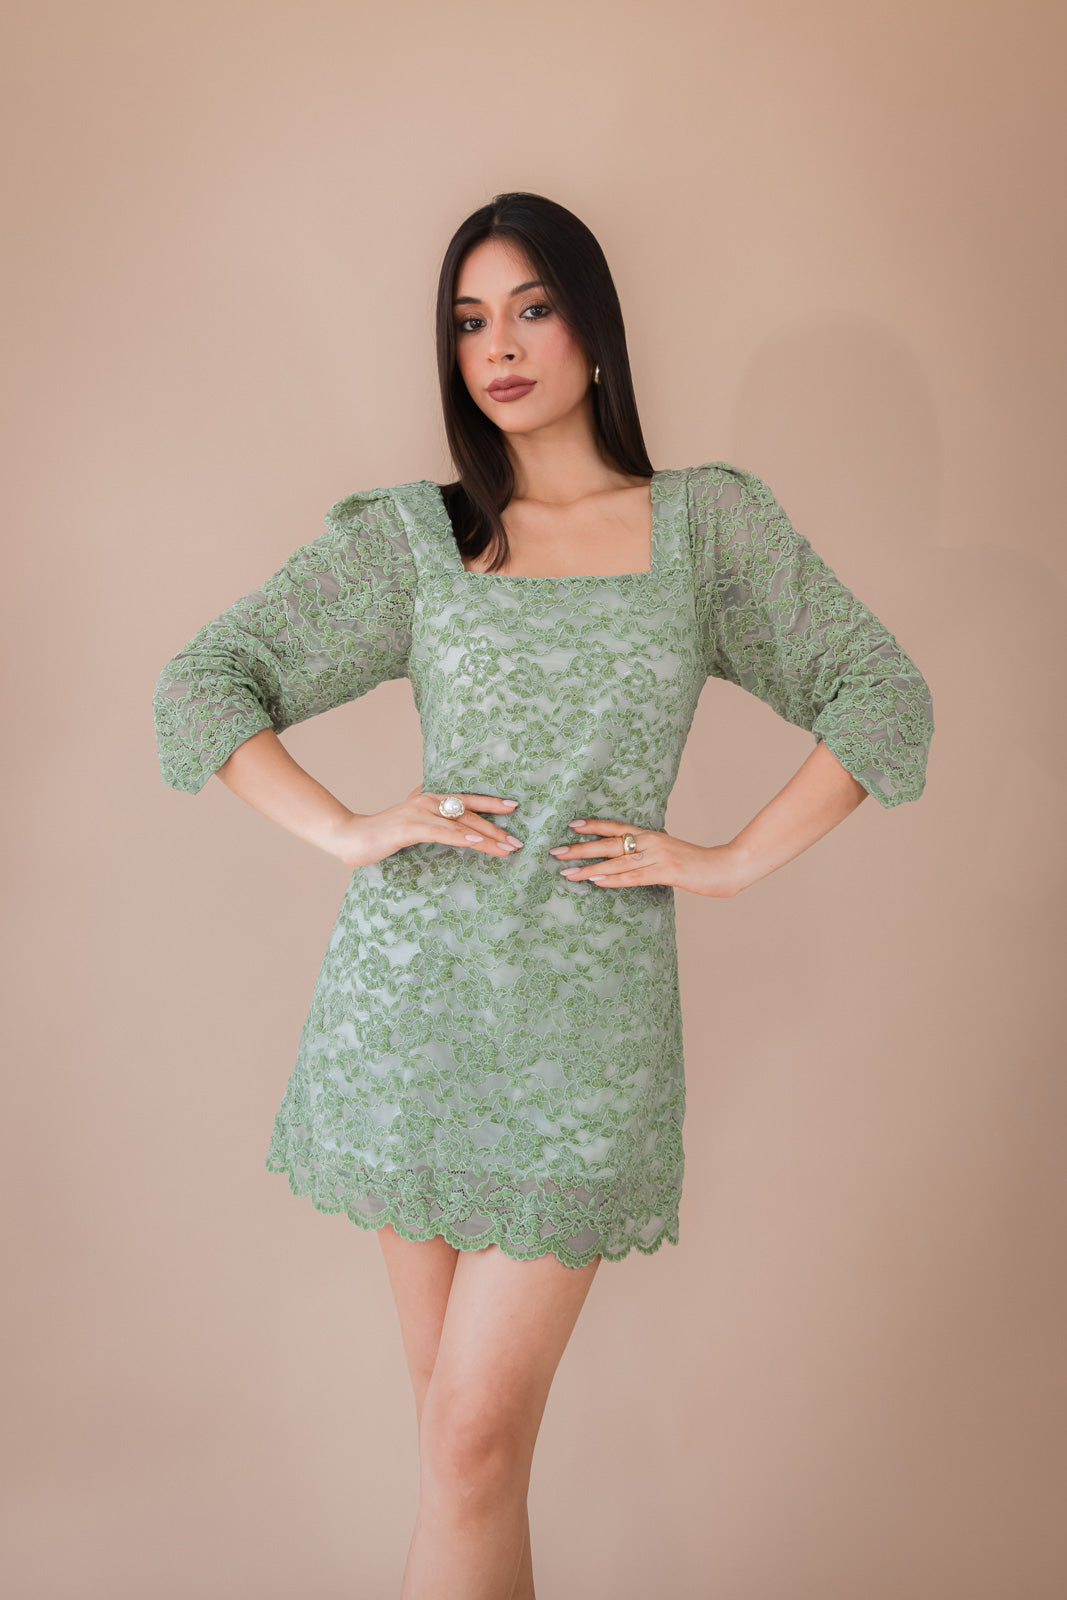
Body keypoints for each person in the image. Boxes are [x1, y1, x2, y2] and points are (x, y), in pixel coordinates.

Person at [152, 190, 934, 1600]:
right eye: (469, 321)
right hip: (410, 1016)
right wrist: (345, 830)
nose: (499, 348)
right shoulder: (421, 540)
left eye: (531, 308)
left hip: (587, 1042)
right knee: (465, 1457)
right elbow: (206, 681)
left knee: (469, 1441)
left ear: (596, 329)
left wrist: (729, 860)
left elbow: (879, 692)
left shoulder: (705, 530)